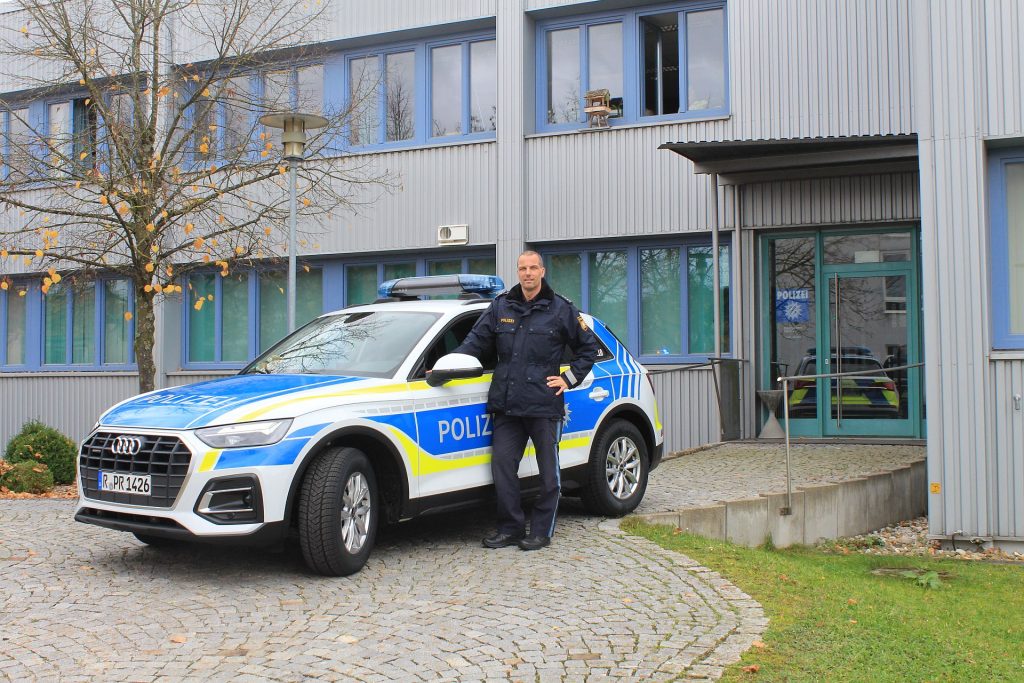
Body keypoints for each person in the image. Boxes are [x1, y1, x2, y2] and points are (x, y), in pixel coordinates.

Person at [449, 250, 598, 551]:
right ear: (517, 272)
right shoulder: (501, 305)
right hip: (506, 404)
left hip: (544, 404)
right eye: (522, 268)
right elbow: (473, 342)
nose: (527, 273)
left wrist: (569, 379)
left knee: (548, 474)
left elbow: (588, 349)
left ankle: (541, 531)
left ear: (542, 271)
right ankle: (510, 528)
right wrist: (450, 364)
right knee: (503, 467)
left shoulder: (561, 309)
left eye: (533, 268)